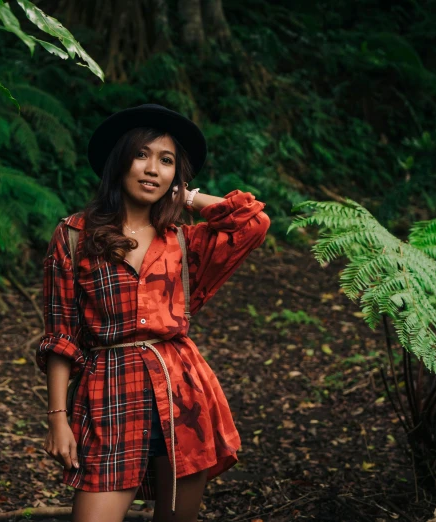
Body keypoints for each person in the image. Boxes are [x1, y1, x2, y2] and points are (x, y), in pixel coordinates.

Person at [36, 104, 270, 522]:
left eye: (166, 162)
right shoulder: (73, 237)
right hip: (108, 393)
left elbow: (252, 223)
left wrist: (188, 197)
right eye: (142, 155)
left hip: (181, 394)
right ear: (120, 161)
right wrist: (58, 419)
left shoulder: (183, 240)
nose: (152, 170)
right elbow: (61, 336)